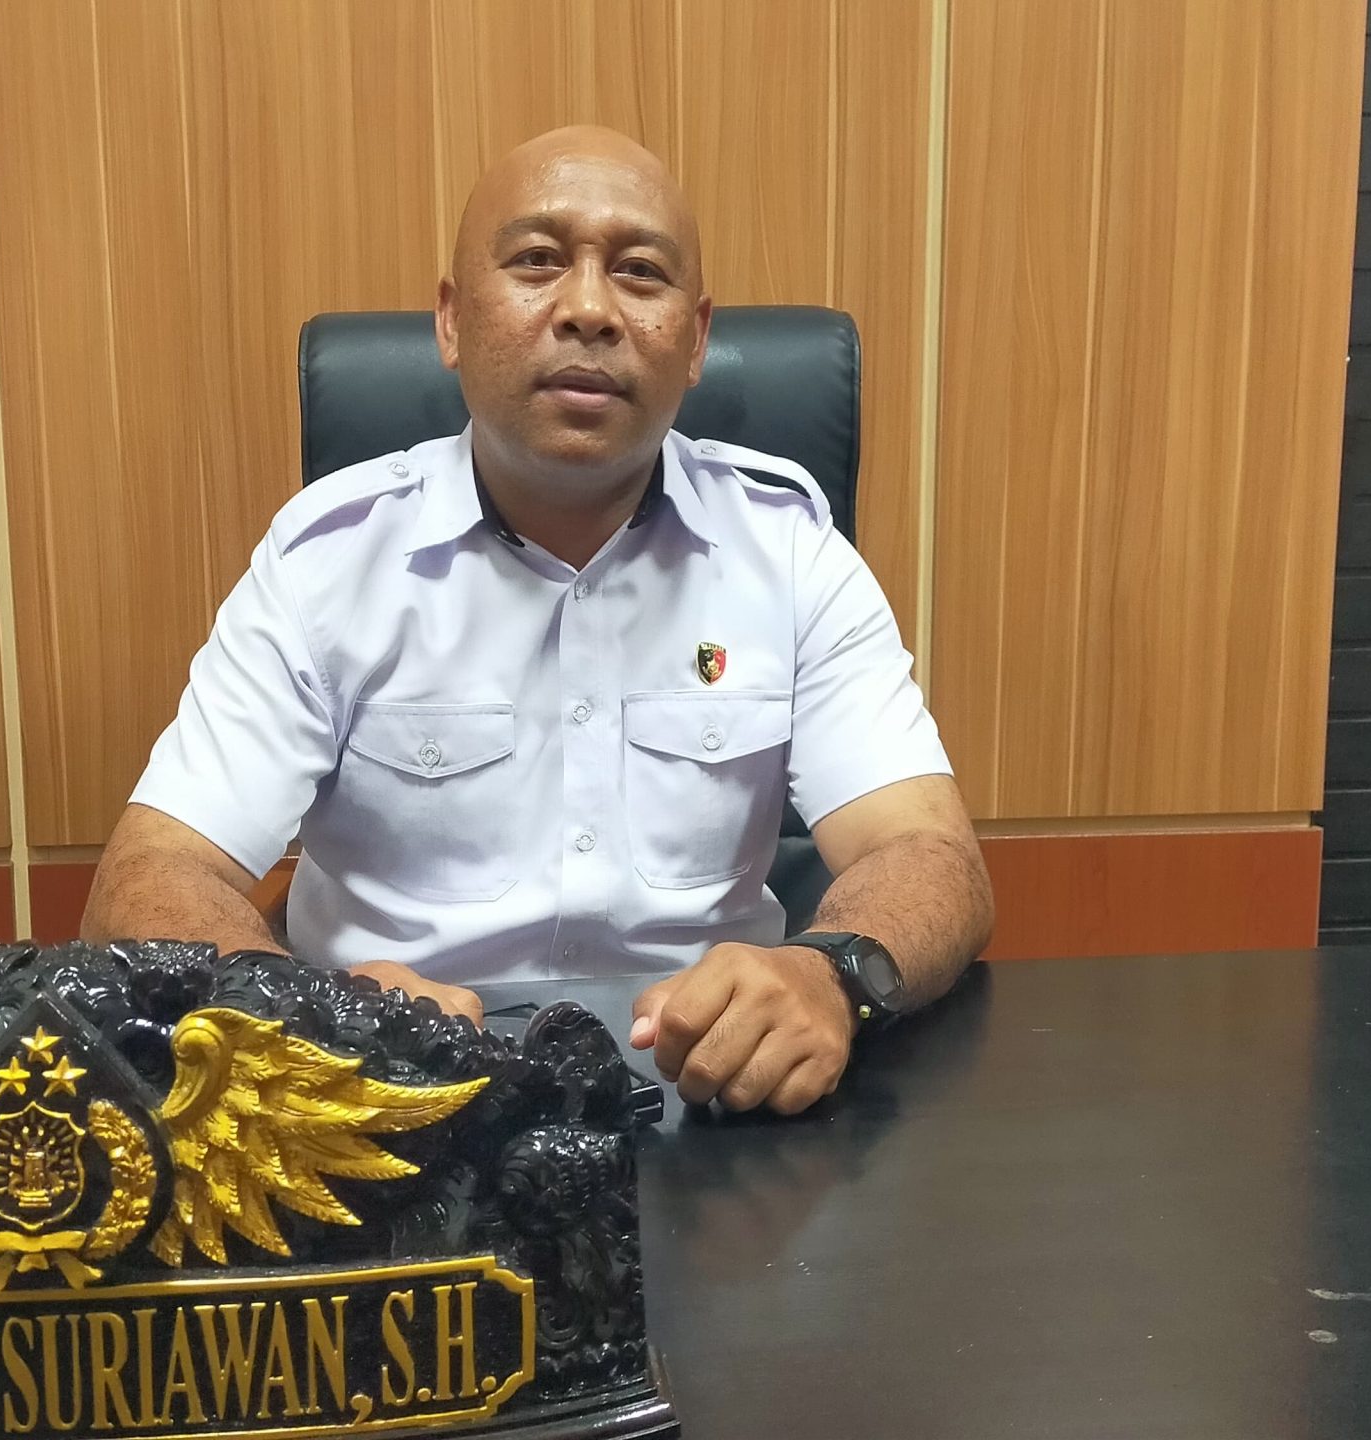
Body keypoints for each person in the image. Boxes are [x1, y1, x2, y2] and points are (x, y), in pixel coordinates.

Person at [82, 126, 991, 1115]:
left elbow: (929, 855)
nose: (589, 309)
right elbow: (149, 878)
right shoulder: (328, 562)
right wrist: (312, 1016)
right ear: (451, 321)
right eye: (536, 261)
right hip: (384, 1106)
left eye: (639, 272)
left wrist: (831, 975)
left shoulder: (788, 552)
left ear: (694, 340)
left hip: (719, 1100)